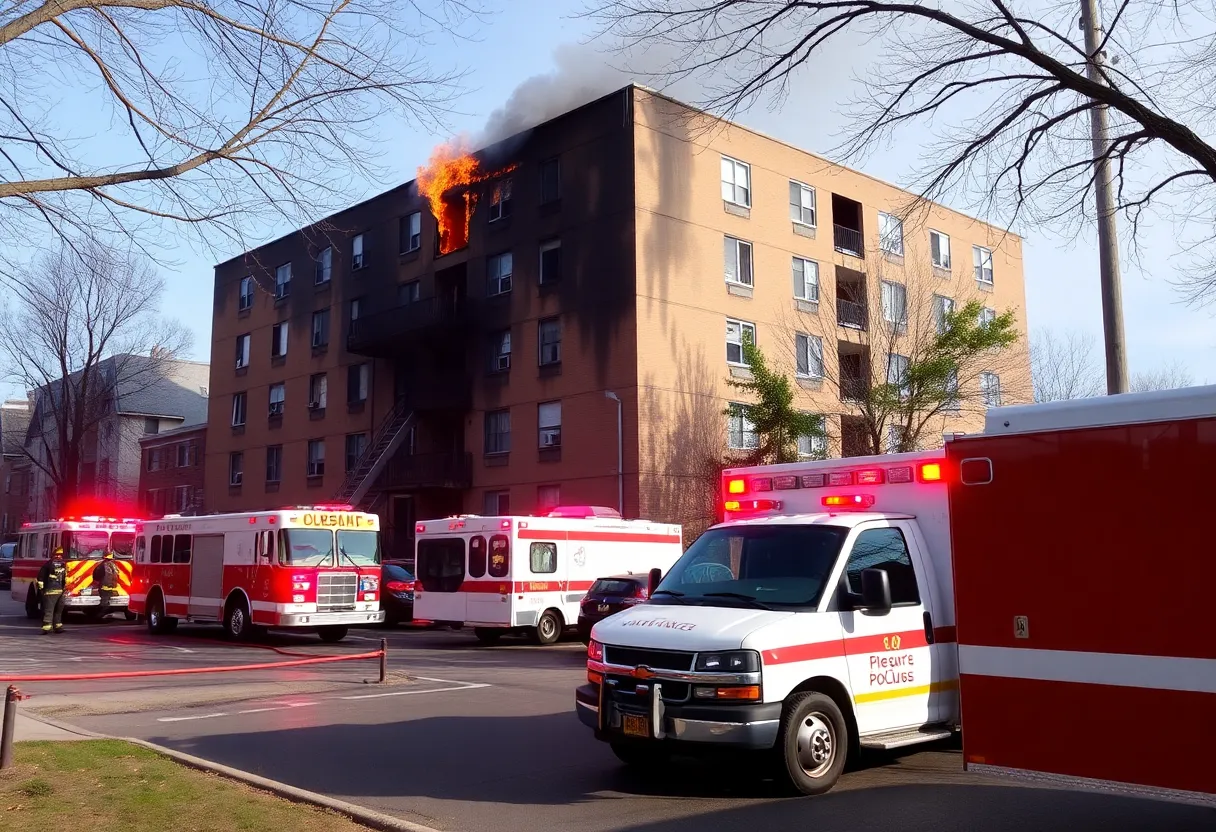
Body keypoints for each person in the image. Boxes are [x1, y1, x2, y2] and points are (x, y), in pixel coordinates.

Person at [37, 547, 68, 634]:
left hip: (60, 591)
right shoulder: (48, 565)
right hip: (50, 591)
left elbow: (64, 578)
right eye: (57, 555)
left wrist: (65, 588)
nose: (58, 557)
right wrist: (42, 590)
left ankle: (58, 626)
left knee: (58, 610)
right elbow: (40, 578)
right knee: (49, 610)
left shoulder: (64, 565)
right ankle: (46, 628)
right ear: (53, 555)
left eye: (60, 555)